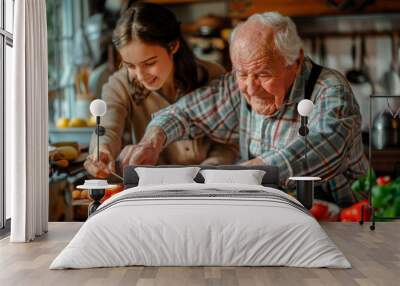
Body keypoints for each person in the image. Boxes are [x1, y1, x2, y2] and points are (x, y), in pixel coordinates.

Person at [123, 12, 369, 207]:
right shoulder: (236, 87)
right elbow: (182, 112)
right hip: (273, 216)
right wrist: (152, 142)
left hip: (342, 218)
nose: (250, 88)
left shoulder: (330, 89)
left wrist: (240, 175)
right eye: (241, 73)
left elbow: (324, 146)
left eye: (263, 74)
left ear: (294, 62)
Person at [84, 3, 237, 178]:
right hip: (153, 187)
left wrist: (208, 171)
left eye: (149, 63)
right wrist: (101, 149)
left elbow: (228, 143)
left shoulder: (212, 75)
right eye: (130, 66)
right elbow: (107, 126)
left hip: (210, 183)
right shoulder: (119, 85)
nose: (140, 76)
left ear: (173, 46)